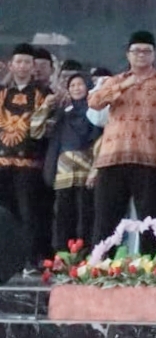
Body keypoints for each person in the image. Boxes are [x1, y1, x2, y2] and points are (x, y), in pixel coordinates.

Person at [88, 31, 156, 250]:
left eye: (146, 51)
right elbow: (94, 102)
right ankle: (102, 265)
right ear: (128, 54)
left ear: (154, 55)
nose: (141, 55)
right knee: (106, 221)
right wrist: (123, 86)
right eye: (136, 51)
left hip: (151, 158)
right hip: (113, 158)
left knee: (152, 221)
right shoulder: (115, 81)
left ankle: (152, 267)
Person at [30, 72, 101, 254]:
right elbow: (35, 130)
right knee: (63, 217)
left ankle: (85, 258)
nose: (76, 88)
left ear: (88, 87)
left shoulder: (96, 112)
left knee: (85, 217)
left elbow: (101, 141)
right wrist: (46, 105)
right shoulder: (62, 113)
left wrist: (95, 169)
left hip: (87, 174)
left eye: (80, 84)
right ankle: (62, 258)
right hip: (63, 174)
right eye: (72, 86)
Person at [0, 44, 50, 266]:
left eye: (27, 62)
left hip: (30, 164)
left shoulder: (44, 94)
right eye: (18, 62)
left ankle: (29, 261)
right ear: (11, 65)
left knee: (29, 215)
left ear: (33, 66)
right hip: (2, 163)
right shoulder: (2, 93)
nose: (22, 66)